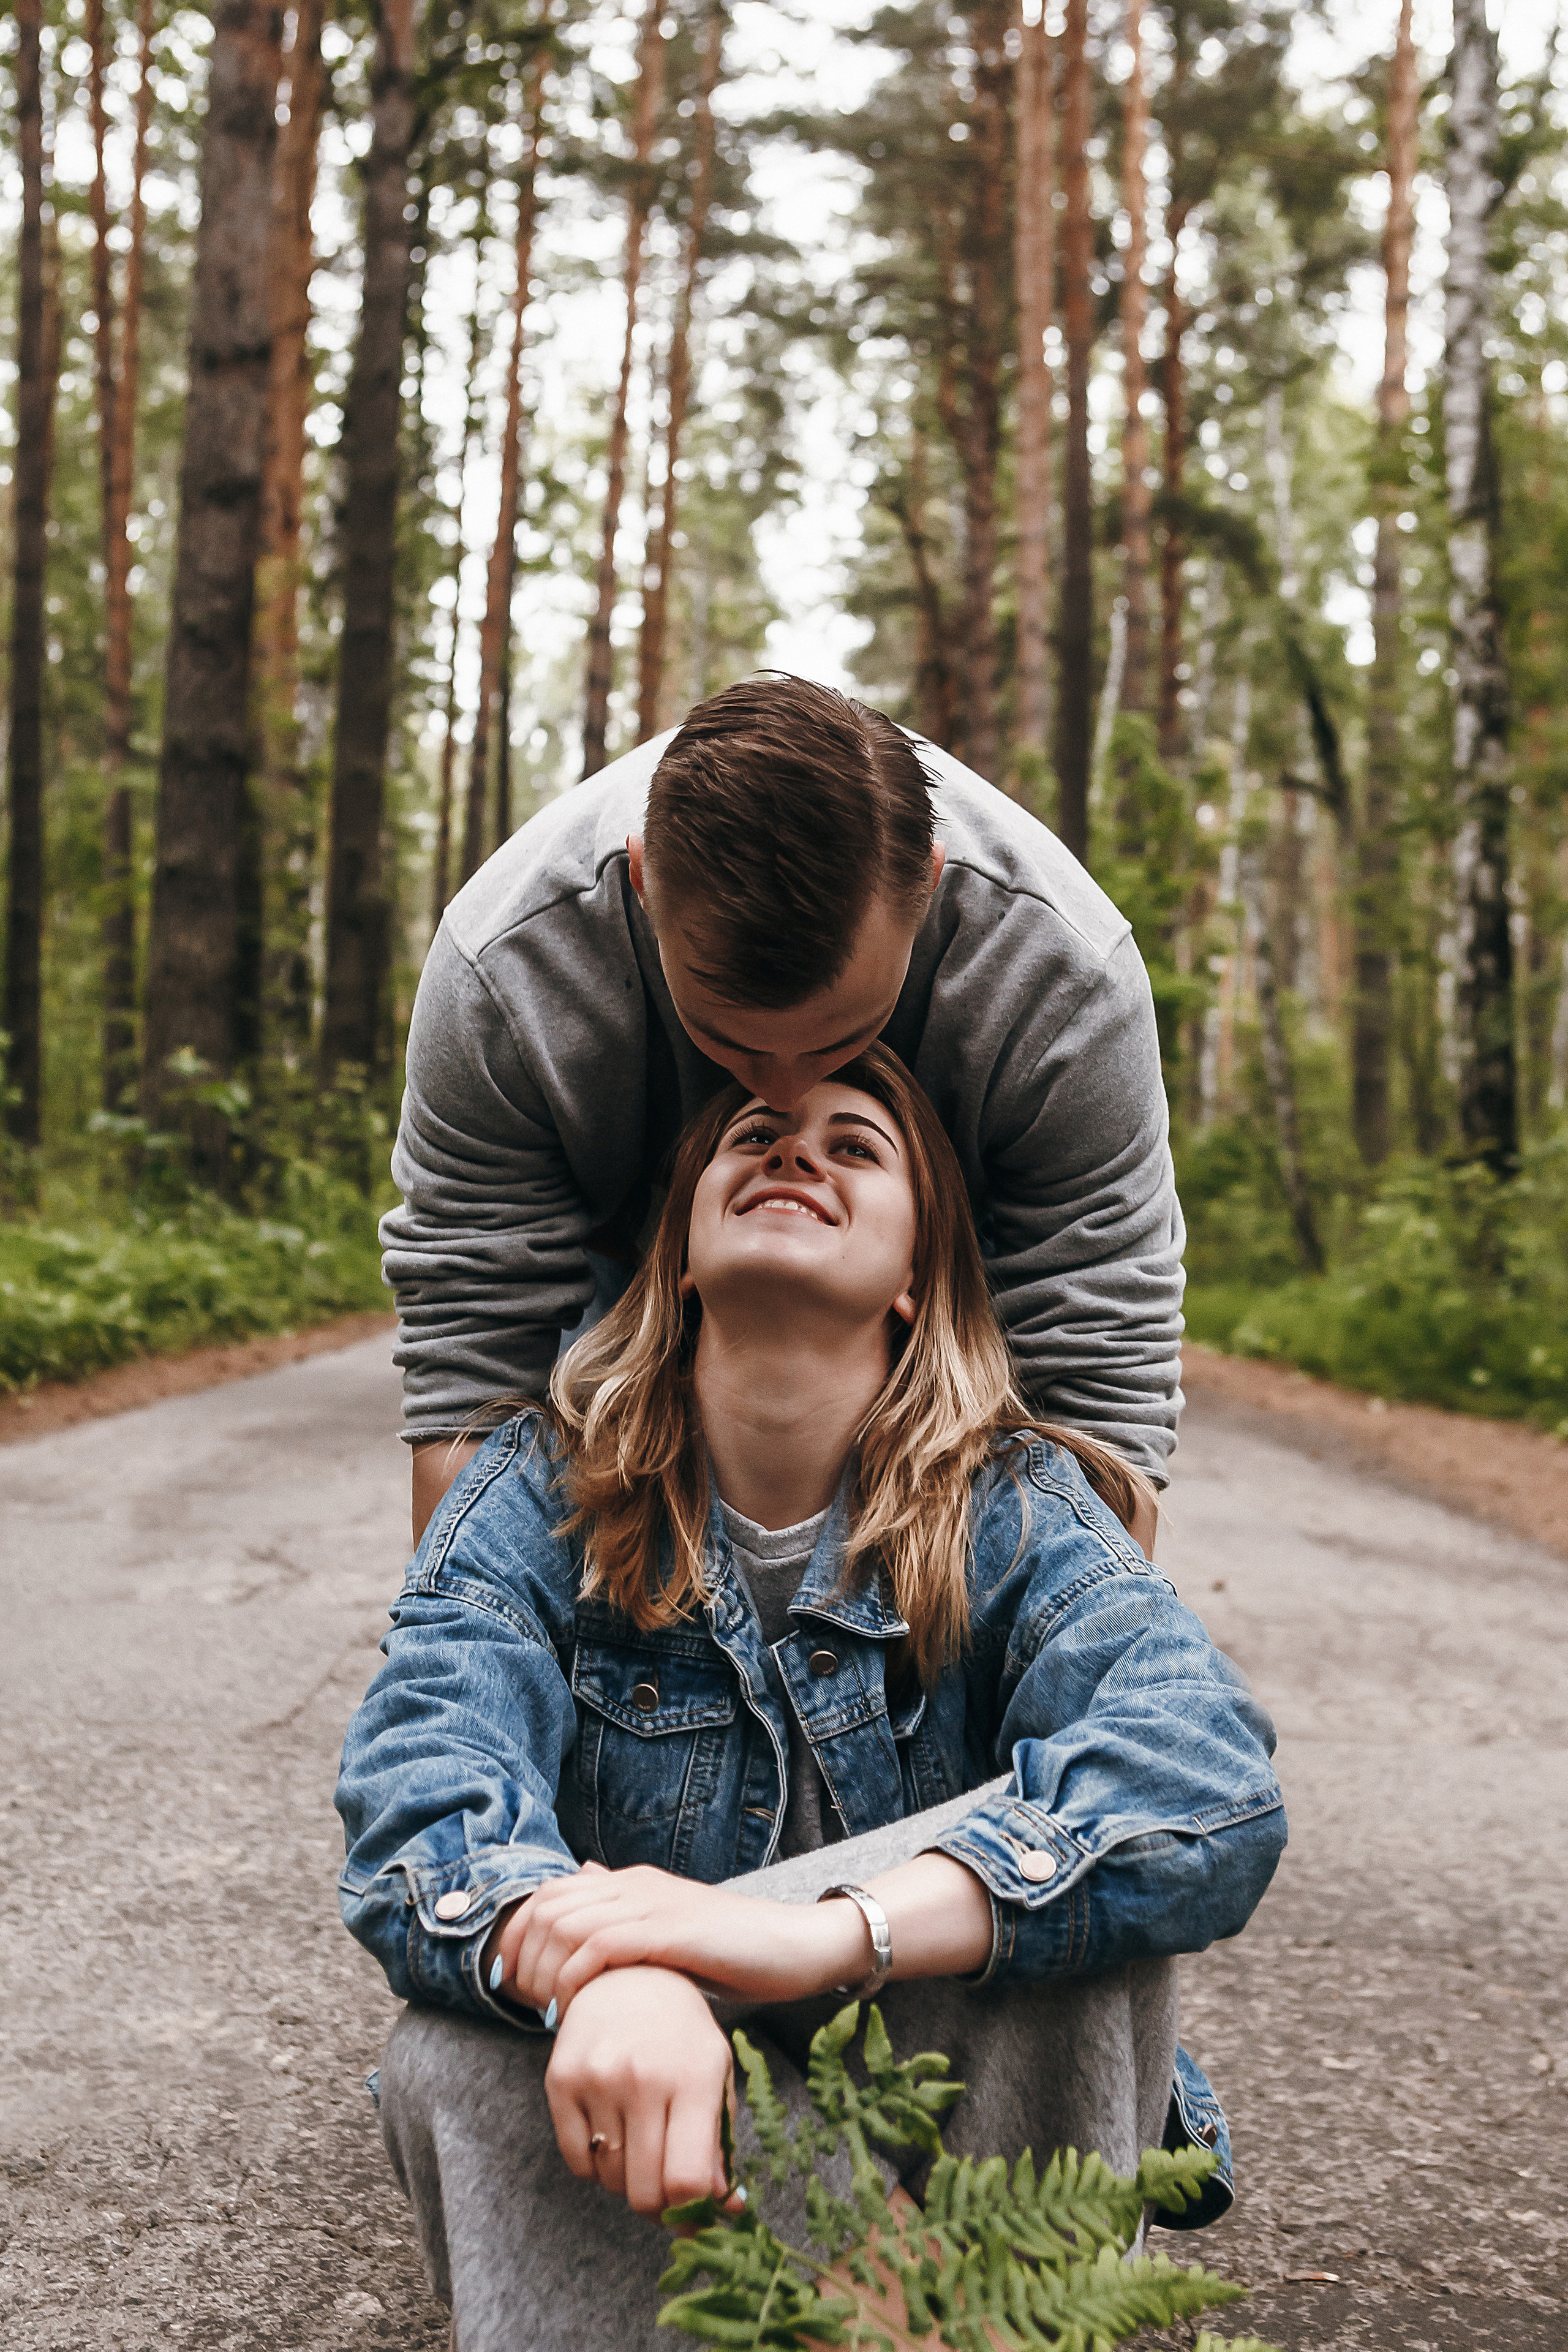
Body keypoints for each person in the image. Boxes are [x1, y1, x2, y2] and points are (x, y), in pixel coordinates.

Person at [337, 1046, 1284, 2351]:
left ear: (912, 1280)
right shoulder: (538, 1483)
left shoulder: (1011, 1503)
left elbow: (1204, 1775)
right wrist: (609, 1983)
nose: (793, 1152)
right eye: (751, 1136)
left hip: (928, 2058)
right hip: (662, 2080)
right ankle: (890, 2316)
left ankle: (989, 2324)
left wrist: (821, 1934)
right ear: (673, 1251)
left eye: (853, 1146)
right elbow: (419, 1794)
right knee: (456, 2052)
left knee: (1083, 1925)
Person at [383, 674, 1185, 1557]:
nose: (785, 1095)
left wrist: (1087, 1658)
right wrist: (460, 1649)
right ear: (646, 884)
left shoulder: (1064, 979)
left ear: (929, 886)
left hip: (966, 1283)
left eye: (845, 1035)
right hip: (621, 1281)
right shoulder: (505, 973)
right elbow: (470, 1379)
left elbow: (1103, 1389)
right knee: (569, 1528)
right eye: (727, 1041)